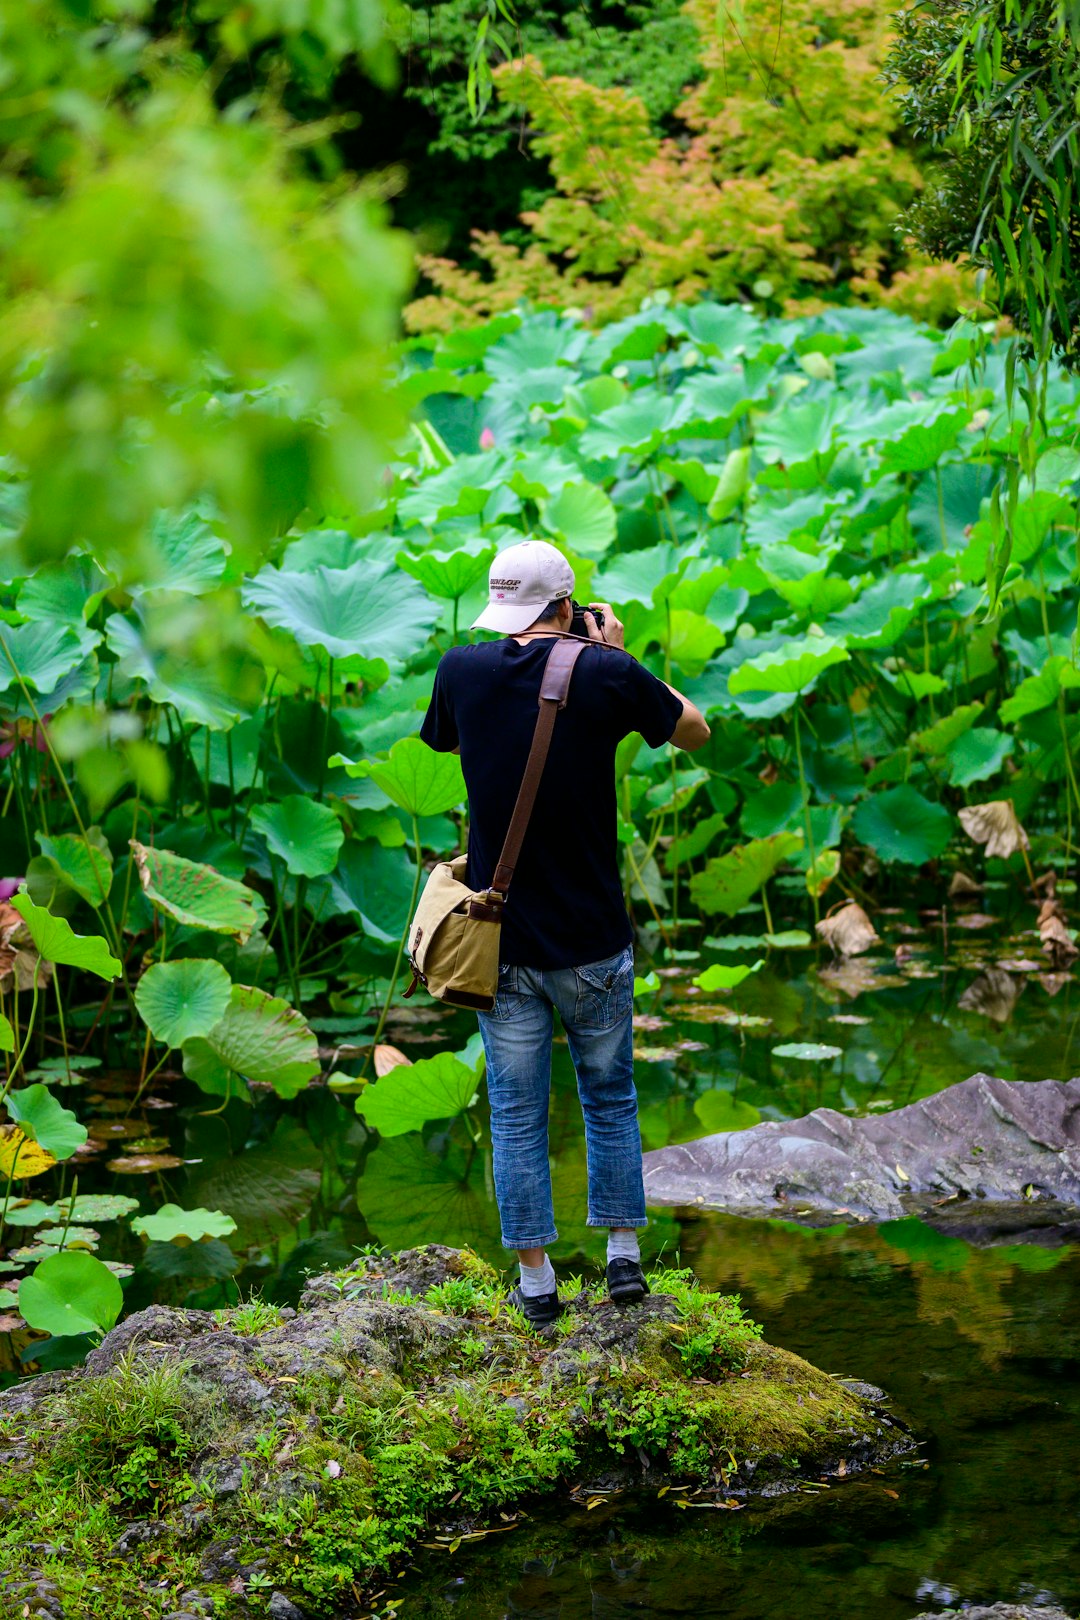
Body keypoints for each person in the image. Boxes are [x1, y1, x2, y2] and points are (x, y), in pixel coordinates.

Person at [419, 539, 710, 1324]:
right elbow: (695, 731)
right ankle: (622, 1263)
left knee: (516, 1112)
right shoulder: (608, 674)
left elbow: (447, 737)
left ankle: (538, 1282)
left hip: (500, 940)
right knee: (609, 1098)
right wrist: (612, 655)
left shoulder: (461, 670)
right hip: (592, 943)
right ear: (567, 604)